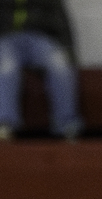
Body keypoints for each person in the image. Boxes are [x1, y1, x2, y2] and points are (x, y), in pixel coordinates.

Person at [0, 0, 81, 141]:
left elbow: (61, 23)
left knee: (59, 64)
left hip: (41, 38)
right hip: (6, 39)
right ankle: (5, 123)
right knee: (6, 67)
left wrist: (70, 54)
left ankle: (67, 125)